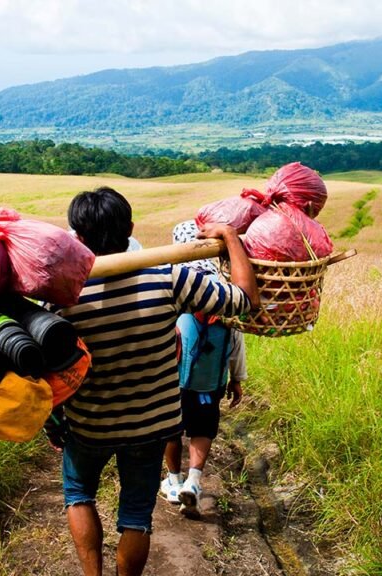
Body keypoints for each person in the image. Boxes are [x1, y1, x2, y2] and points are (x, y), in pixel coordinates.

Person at [45, 187, 259, 576]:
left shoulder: (62, 294)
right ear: (130, 229)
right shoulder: (170, 278)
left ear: (77, 236)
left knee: (79, 496)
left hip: (89, 424)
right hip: (152, 425)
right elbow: (245, 299)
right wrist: (230, 236)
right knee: (136, 514)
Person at [160, 220, 248, 519]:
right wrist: (237, 378)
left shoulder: (174, 284)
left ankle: (173, 482)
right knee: (203, 429)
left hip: (173, 381)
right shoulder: (221, 287)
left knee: (171, 431)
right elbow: (236, 340)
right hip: (210, 382)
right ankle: (194, 481)